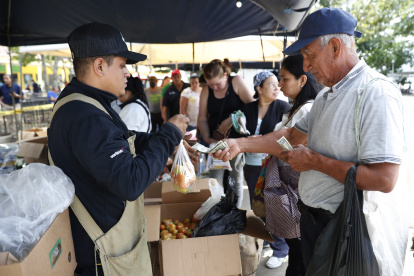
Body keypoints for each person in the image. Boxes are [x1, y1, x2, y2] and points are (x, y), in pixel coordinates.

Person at [214, 8, 407, 275]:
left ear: (336, 47)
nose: (305, 66)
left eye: (309, 55)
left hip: (346, 230)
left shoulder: (375, 93)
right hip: (314, 222)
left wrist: (314, 161)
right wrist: (242, 145)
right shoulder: (326, 97)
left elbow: (384, 179)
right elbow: (290, 137)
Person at [47, 22, 191, 276]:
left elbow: (121, 140)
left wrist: (163, 142)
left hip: (104, 245)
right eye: (123, 65)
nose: (128, 74)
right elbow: (130, 182)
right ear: (99, 66)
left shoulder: (84, 105)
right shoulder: (86, 116)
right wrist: (169, 134)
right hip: (101, 256)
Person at [265, 55, 320, 275]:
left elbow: (287, 146)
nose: (280, 84)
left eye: (284, 78)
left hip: (297, 189)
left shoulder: (307, 110)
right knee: (297, 251)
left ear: (303, 80)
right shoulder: (296, 108)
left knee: (299, 251)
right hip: (292, 188)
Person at [239, 71, 291, 269]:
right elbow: (239, 132)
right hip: (252, 165)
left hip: (273, 165)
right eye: (272, 84)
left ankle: (281, 249)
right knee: (258, 204)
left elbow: (285, 136)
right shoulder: (248, 108)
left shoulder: (283, 107)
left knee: (275, 204)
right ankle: (270, 239)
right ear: (259, 88)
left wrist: (257, 140)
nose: (278, 87)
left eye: (278, 83)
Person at [198, 59, 255, 208]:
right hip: (216, 142)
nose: (215, 88)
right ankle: (216, 210)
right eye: (211, 85)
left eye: (218, 84)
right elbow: (202, 118)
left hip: (236, 142)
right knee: (215, 180)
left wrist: (233, 118)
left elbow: (253, 107)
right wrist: (206, 137)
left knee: (236, 178)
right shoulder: (206, 90)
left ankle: (235, 210)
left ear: (225, 75)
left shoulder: (236, 81)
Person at [0, 74, 22, 140]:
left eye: (7, 78)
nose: (5, 80)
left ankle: (20, 133)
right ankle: (14, 135)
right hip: (6, 105)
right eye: (4, 79)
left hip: (16, 104)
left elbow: (22, 96)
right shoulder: (2, 87)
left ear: (11, 79)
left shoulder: (17, 86)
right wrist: (1, 103)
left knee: (19, 120)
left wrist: (16, 95)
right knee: (10, 121)